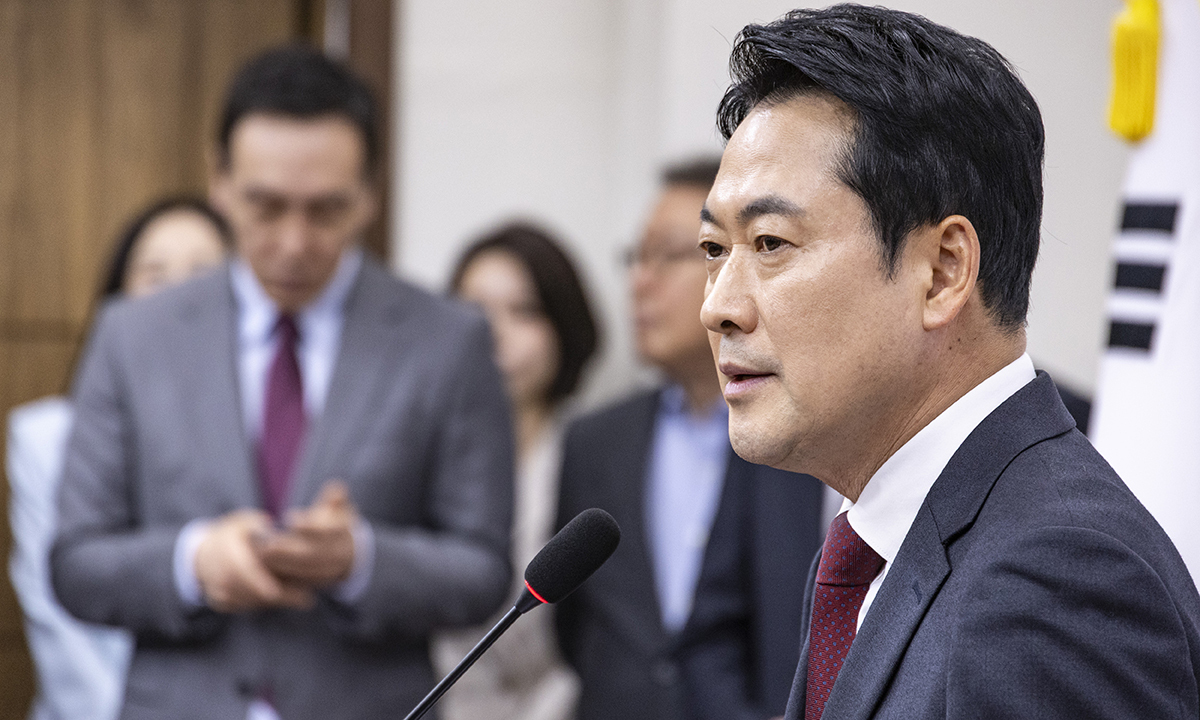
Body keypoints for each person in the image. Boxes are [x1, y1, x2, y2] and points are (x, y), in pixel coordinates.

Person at [700, 5, 1200, 719]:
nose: (717, 306)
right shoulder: (875, 543)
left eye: (770, 243)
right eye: (714, 250)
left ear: (942, 271)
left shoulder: (1052, 579)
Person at [50, 45, 514, 720]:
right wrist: (193, 561)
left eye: (326, 210)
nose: (294, 242)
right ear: (219, 180)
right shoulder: (133, 336)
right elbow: (76, 563)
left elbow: (483, 570)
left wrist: (360, 559)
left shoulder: (448, 340)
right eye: (265, 206)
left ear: (370, 193)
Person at [555, 158, 826, 720]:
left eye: (674, 254)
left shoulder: (804, 434)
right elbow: (573, 622)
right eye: (635, 257)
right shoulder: (595, 440)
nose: (640, 281)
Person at [8, 197, 231, 720]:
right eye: (155, 275)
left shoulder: (270, 435)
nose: (177, 294)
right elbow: (63, 632)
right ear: (118, 296)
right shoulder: (46, 438)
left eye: (203, 275)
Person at [433, 221, 599, 720]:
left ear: (564, 326)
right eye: (474, 310)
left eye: (524, 311)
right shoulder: (421, 455)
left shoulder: (599, 459)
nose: (494, 334)